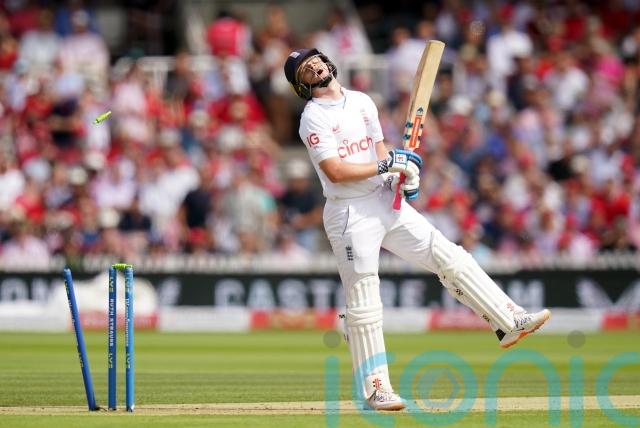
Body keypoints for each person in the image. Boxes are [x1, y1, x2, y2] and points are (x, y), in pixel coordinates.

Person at [283, 48, 551, 411]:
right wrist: (387, 166)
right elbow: (336, 171)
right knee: (364, 298)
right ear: (301, 84)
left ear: (327, 63)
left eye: (315, 60)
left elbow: (380, 153)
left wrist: (401, 176)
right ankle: (377, 389)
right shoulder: (313, 117)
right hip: (349, 212)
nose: (313, 66)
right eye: (305, 69)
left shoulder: (362, 102)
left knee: (448, 255)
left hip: (382, 200)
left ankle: (508, 320)